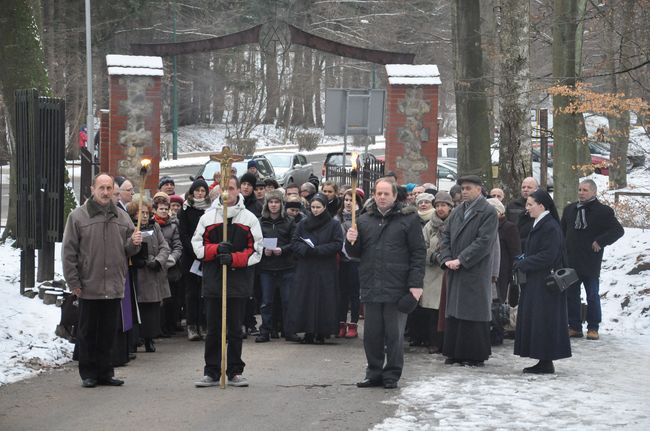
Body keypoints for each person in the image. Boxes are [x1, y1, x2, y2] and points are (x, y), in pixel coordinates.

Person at [62, 173, 142, 388]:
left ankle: (106, 372)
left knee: (108, 331)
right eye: (102, 188)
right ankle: (88, 373)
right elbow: (69, 252)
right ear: (92, 189)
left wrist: (135, 243)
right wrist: (74, 283)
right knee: (88, 332)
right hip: (89, 284)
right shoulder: (78, 217)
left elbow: (128, 249)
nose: (106, 193)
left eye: (109, 188)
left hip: (114, 284)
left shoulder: (122, 217)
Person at [345, 178, 425, 389]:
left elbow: (418, 253)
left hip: (397, 286)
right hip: (371, 284)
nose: (381, 197)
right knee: (372, 334)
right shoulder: (363, 220)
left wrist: (415, 285)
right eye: (378, 193)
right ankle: (374, 372)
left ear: (394, 196)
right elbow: (355, 253)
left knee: (394, 335)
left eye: (386, 194)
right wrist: (350, 239)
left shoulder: (408, 219)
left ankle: (392, 374)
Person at [193, 175, 263, 388]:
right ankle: (211, 371)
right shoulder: (207, 217)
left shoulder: (249, 218)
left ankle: (234, 370)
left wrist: (234, 258)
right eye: (224, 188)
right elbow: (197, 246)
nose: (227, 192)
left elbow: (256, 250)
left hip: (237, 282)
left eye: (231, 188)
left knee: (234, 329)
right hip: (214, 282)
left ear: (238, 191)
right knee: (214, 329)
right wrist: (215, 251)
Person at [438, 175, 498, 367]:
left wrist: (462, 260)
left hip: (475, 270)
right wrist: (447, 258)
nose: (464, 191)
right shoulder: (457, 211)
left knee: (473, 312)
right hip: (455, 269)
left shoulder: (487, 212)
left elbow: (483, 242)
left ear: (479, 190)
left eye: (468, 188)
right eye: (462, 188)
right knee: (455, 311)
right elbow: (445, 235)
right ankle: (454, 352)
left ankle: (473, 354)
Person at [514, 189, 572, 374]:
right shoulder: (542, 223)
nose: (527, 209)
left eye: (530, 205)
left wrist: (525, 262)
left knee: (544, 319)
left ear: (541, 205)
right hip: (538, 280)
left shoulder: (550, 226)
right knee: (540, 319)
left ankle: (546, 360)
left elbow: (549, 255)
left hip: (545, 282)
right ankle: (543, 358)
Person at [561, 179, 624, 340]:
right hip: (571, 260)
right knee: (572, 295)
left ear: (594, 192)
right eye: (580, 189)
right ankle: (574, 326)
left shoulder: (603, 211)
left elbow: (618, 230)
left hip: (590, 261)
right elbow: (562, 232)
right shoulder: (570, 209)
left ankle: (593, 327)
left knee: (592, 295)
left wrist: (600, 241)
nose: (581, 193)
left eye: (585, 190)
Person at [288, 193, 344, 344]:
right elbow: (295, 241)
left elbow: (337, 243)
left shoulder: (333, 224)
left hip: (325, 266)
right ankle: (307, 331)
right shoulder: (303, 223)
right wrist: (306, 250)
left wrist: (318, 250)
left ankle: (322, 331)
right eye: (312, 207)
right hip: (306, 266)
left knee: (324, 299)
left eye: (318, 207)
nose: (315, 210)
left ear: (325, 207)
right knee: (305, 298)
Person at [127, 200, 171, 352]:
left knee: (152, 309)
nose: (145, 216)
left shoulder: (155, 226)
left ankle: (149, 338)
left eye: (147, 213)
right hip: (138, 273)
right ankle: (136, 338)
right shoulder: (130, 227)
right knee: (138, 308)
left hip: (153, 272)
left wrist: (158, 261)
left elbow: (164, 246)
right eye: (142, 213)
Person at [256, 190, 297, 342]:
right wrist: (262, 250)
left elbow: (294, 242)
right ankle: (265, 330)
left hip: (286, 267)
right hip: (267, 268)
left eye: (277, 202)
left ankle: (289, 330)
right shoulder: (260, 222)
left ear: (281, 204)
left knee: (287, 301)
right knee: (267, 301)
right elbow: (255, 242)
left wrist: (283, 249)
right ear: (267, 204)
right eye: (271, 202)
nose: (274, 205)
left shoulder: (289, 221)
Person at [178, 177, 211, 341]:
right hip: (190, 257)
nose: (199, 193)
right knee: (191, 293)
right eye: (197, 190)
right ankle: (191, 325)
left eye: (202, 191)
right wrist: (194, 251)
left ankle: (204, 324)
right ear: (192, 192)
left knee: (205, 293)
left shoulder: (210, 210)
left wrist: (205, 252)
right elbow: (183, 234)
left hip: (207, 255)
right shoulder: (185, 210)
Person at [152, 195, 184, 337]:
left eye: (166, 209)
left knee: (171, 300)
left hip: (171, 267)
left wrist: (171, 259)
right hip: (155, 266)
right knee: (158, 301)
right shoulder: (151, 225)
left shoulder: (173, 226)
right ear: (155, 210)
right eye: (161, 209)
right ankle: (158, 327)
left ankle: (170, 326)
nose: (164, 211)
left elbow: (178, 246)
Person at [336, 189, 365, 339]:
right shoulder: (338, 218)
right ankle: (341, 323)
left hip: (356, 262)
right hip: (342, 260)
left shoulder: (362, 219)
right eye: (346, 200)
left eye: (352, 200)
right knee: (342, 293)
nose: (348, 203)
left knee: (354, 294)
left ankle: (353, 324)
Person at [506, 177, 539, 252]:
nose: (525, 189)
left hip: (533, 244)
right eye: (523, 187)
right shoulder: (512, 205)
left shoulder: (540, 206)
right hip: (514, 244)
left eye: (529, 187)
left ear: (536, 189)